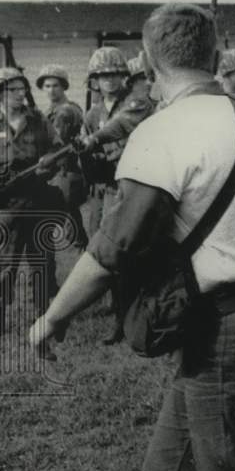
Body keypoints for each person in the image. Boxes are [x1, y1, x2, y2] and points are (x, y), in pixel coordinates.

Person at [30, 3, 235, 471]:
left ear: (148, 63)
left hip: (227, 337)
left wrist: (54, 317)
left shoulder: (163, 130)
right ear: (215, 55)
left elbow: (114, 249)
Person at [0, 67, 62, 335]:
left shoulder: (38, 120)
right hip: (6, 206)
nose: (21, 94)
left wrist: (49, 167)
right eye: (13, 90)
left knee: (42, 264)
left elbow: (58, 150)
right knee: (2, 266)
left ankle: (45, 319)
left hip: (38, 201)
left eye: (23, 89)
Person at [78, 46, 155, 343]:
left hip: (131, 187)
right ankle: (118, 310)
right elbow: (88, 156)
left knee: (131, 252)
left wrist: (101, 146)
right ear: (94, 80)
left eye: (115, 74)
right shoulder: (92, 113)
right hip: (103, 190)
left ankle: (134, 316)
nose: (109, 80)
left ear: (124, 77)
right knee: (102, 249)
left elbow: (126, 132)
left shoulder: (137, 102)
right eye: (102, 75)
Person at [36, 64, 88, 250]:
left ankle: (81, 250)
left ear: (63, 86)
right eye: (47, 86)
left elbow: (56, 143)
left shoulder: (64, 111)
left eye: (55, 85)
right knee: (69, 215)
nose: (51, 90)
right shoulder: (55, 109)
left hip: (63, 171)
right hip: (62, 171)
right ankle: (81, 247)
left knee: (58, 216)